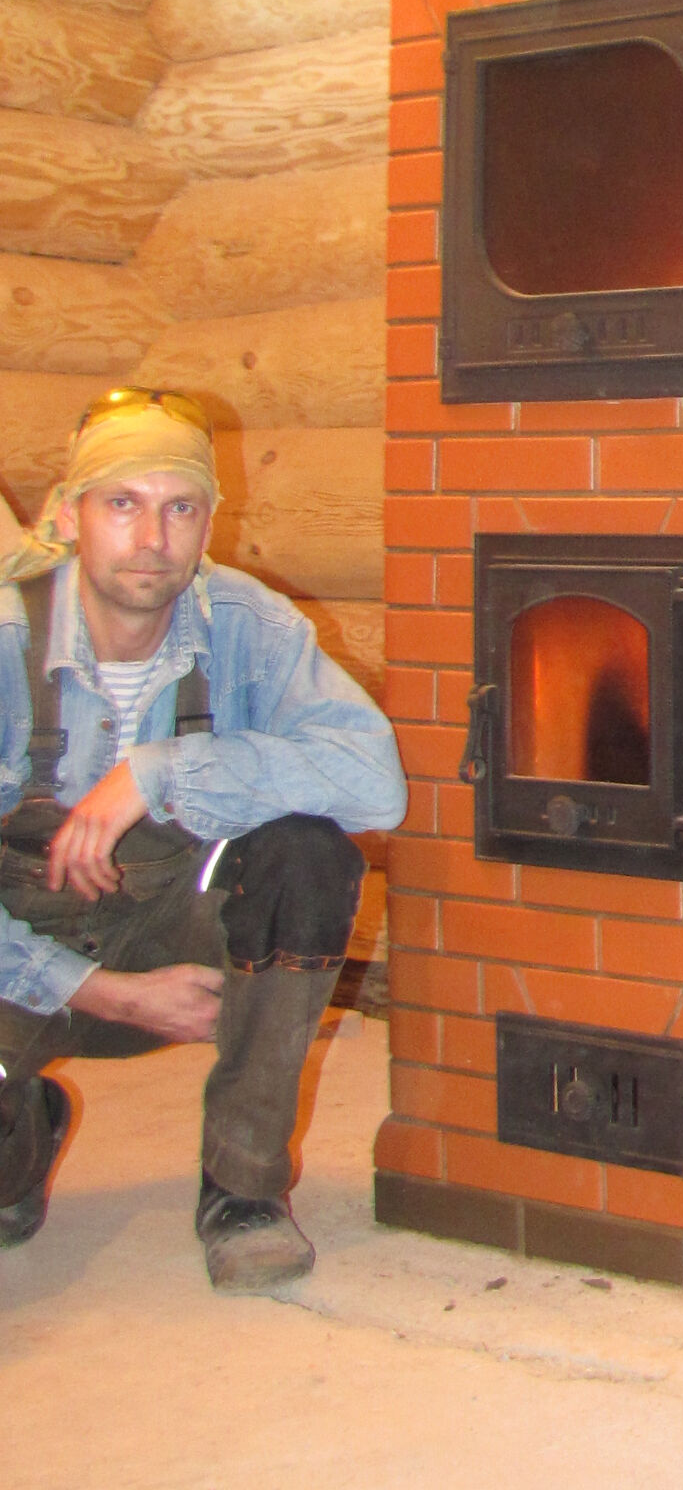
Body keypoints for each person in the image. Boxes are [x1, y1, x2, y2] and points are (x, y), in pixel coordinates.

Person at [0, 388, 406, 1290]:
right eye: (122, 503)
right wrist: (104, 993)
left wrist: (158, 771)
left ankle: (243, 1189)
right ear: (67, 515)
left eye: (179, 508)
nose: (152, 537)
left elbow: (373, 781)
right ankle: (21, 1128)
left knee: (308, 853)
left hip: (175, 931)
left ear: (209, 523)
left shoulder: (245, 624)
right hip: (19, 955)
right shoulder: (4, 642)